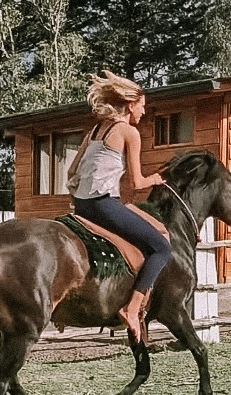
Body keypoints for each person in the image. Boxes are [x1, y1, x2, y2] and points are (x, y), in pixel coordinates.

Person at [67, 70, 171, 343]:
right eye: (142, 106)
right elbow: (137, 183)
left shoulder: (94, 132)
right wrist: (155, 179)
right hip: (103, 206)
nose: (144, 112)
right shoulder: (128, 132)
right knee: (161, 247)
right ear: (130, 105)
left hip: (82, 206)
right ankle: (132, 309)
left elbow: (71, 171)